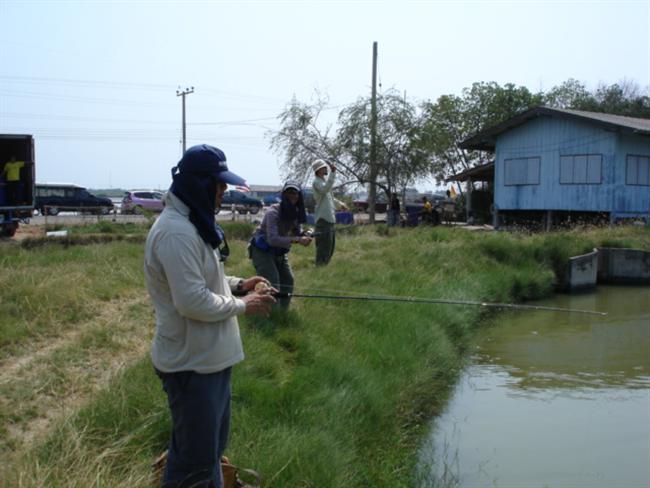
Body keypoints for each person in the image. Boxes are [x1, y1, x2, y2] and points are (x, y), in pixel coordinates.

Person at [144, 144, 275, 488]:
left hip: (209, 360)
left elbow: (205, 280)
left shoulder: (191, 223)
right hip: (192, 364)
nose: (222, 193)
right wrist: (245, 306)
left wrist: (239, 285)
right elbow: (191, 301)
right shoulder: (175, 232)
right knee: (195, 466)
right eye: (218, 186)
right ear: (198, 185)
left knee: (206, 455)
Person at [248, 181, 312, 308]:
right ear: (283, 194)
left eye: (295, 193)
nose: (292, 195)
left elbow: (297, 232)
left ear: (299, 196)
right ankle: (270, 314)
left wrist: (307, 234)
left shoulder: (296, 212)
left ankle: (282, 314)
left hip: (279, 252)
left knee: (288, 280)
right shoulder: (273, 212)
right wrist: (298, 240)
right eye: (288, 192)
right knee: (273, 282)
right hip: (262, 251)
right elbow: (273, 239)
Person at [311, 159, 347, 266]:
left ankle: (323, 269)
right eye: (323, 167)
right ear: (318, 170)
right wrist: (333, 173)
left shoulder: (323, 182)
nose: (326, 168)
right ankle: (320, 268)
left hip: (329, 220)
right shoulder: (316, 182)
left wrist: (341, 204)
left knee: (330, 247)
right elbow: (325, 189)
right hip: (323, 220)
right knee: (323, 248)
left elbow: (331, 199)